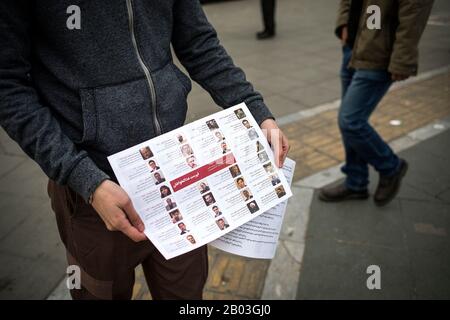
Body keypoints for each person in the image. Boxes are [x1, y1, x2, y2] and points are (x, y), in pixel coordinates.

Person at [0, 0, 289, 300]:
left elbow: (199, 42)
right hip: (95, 189)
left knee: (187, 295)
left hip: (178, 175)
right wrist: (85, 179)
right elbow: (8, 86)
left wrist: (257, 112)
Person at [319, 0, 433, 206]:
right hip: (353, 47)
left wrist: (402, 59)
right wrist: (344, 22)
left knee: (350, 121)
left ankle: (391, 167)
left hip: (378, 54)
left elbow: (414, 11)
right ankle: (356, 182)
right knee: (350, 120)